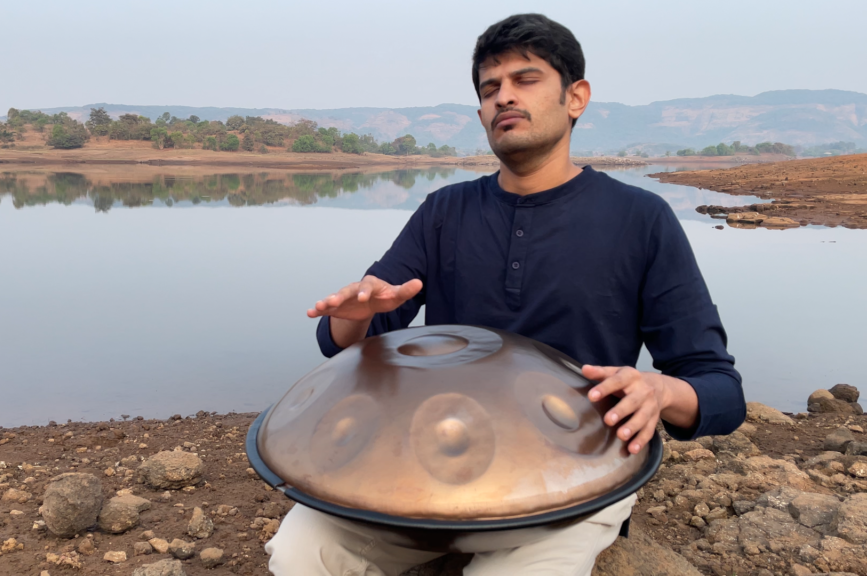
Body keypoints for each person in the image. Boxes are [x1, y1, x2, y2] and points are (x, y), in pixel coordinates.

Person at [266, 13, 746, 576]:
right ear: (480, 114)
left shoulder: (642, 219)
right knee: (301, 554)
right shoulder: (444, 211)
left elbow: (720, 390)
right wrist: (352, 315)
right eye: (491, 89)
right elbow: (344, 338)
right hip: (427, 470)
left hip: (567, 487)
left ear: (577, 98)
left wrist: (659, 390)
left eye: (526, 80)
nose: (505, 98)